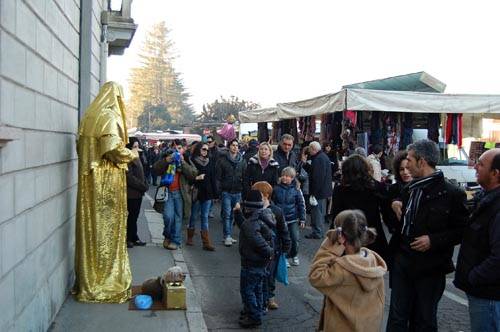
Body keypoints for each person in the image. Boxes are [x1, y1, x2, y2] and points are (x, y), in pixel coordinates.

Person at [386, 139, 468, 332]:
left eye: (410, 160)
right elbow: (397, 222)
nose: (406, 164)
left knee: (424, 320)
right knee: (397, 317)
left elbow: (462, 230)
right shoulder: (409, 189)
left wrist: (433, 240)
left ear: (421, 162)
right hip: (402, 263)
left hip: (430, 268)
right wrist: (395, 204)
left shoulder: (452, 193)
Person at [74, 81, 137, 303]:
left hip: (90, 184)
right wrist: (132, 155)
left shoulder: (90, 117)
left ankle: (89, 278)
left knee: (91, 228)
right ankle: (104, 282)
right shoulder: (109, 117)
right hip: (106, 184)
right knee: (106, 231)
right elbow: (112, 150)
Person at [309, 209, 387, 332]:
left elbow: (315, 276)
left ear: (341, 236)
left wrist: (330, 247)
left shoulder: (342, 269)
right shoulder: (373, 261)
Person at [454, 148, 500, 332]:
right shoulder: (485, 200)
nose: (475, 167)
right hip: (483, 291)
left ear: (496, 173)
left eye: (481, 164)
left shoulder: (496, 207)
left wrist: (474, 276)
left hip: (488, 294)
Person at [330, 154, 390, 263]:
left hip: (348, 238)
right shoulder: (376, 188)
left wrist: (333, 239)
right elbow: (387, 214)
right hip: (372, 237)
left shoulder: (340, 190)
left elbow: (336, 216)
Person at [233, 190, 274, 329]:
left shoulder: (251, 224)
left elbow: (256, 239)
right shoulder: (258, 217)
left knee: (247, 290)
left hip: (252, 262)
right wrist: (237, 213)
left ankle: (254, 316)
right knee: (257, 288)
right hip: (260, 263)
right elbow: (245, 227)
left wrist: (269, 252)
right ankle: (255, 310)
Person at [252, 181, 291, 310]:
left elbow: (283, 229)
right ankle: (259, 299)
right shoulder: (252, 209)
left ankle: (270, 297)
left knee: (270, 275)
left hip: (273, 249)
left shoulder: (277, 211)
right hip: (256, 249)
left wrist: (286, 245)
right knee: (258, 275)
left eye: (258, 195)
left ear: (265, 195)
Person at [153, 146, 198, 251]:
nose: (178, 151)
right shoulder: (166, 158)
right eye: (177, 148)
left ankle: (175, 240)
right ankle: (167, 235)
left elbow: (193, 174)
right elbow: (155, 169)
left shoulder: (185, 159)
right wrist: (166, 160)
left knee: (178, 218)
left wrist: (182, 162)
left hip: (180, 193)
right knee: (168, 217)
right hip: (167, 192)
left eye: (181, 148)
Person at [272, 167, 306, 267]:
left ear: (292, 178)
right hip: (279, 219)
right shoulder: (276, 188)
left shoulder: (296, 189)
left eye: (288, 176)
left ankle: (294, 254)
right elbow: (272, 202)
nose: (285, 178)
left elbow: (301, 204)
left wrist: (302, 218)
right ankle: (285, 257)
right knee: (281, 240)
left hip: (292, 219)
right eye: (283, 175)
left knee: (295, 239)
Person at [188, 142, 218, 251]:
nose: (205, 151)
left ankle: (206, 242)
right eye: (203, 149)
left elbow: (213, 178)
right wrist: (196, 178)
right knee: (194, 216)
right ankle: (190, 237)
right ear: (199, 150)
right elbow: (189, 177)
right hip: (197, 192)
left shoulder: (210, 162)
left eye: (207, 150)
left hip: (208, 193)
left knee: (205, 217)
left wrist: (215, 194)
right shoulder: (192, 161)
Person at [216, 139, 246, 246]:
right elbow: (218, 177)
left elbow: (244, 176)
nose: (235, 147)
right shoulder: (222, 160)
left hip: (237, 191)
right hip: (226, 191)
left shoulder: (242, 161)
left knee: (234, 214)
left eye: (237, 145)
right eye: (233, 145)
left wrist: (243, 190)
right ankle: (227, 235)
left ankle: (228, 235)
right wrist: (219, 191)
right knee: (227, 214)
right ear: (229, 146)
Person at [303, 141, 333, 239]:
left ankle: (317, 232)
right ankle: (318, 231)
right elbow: (314, 172)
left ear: (313, 149)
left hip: (318, 191)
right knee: (320, 211)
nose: (309, 151)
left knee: (317, 212)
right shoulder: (322, 157)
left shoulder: (319, 159)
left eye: (310, 149)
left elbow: (317, 177)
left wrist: (313, 193)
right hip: (323, 190)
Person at [125, 137, 149, 248]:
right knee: (131, 216)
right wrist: (142, 186)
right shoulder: (128, 159)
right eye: (134, 146)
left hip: (138, 193)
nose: (137, 148)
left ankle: (133, 237)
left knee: (135, 216)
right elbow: (129, 177)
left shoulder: (137, 157)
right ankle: (129, 238)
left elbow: (142, 172)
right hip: (131, 193)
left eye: (137, 146)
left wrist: (144, 184)